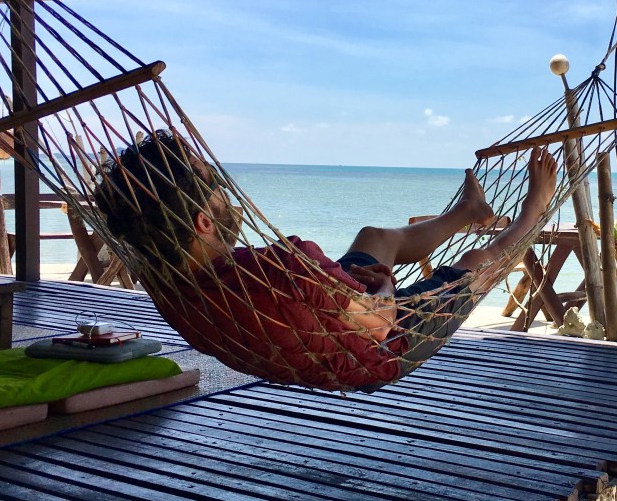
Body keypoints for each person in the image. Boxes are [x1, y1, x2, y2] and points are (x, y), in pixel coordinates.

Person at [94, 130, 558, 389]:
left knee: (374, 237)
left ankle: (466, 212)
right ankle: (533, 211)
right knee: (477, 262)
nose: (228, 195)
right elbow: (380, 322)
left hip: (310, 321)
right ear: (202, 222)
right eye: (217, 186)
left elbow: (308, 294)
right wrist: (384, 287)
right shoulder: (283, 267)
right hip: (380, 346)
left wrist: (344, 284)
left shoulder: (170, 283)